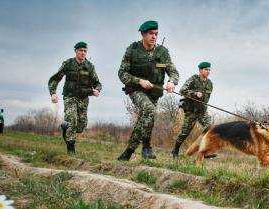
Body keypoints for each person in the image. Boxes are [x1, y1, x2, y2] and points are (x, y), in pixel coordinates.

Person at [117, 20, 179, 161]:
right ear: (143, 34)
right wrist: (139, 81)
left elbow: (173, 72)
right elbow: (122, 73)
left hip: (154, 92)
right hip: (136, 89)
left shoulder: (162, 53)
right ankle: (129, 151)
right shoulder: (132, 50)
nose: (154, 37)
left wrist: (171, 82)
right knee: (149, 110)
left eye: (156, 34)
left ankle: (146, 148)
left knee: (148, 117)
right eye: (151, 34)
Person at [48, 41, 102, 154]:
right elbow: (56, 78)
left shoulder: (89, 66)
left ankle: (65, 127)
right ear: (76, 51)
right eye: (81, 51)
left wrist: (97, 90)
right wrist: (53, 93)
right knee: (72, 120)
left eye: (85, 51)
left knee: (81, 125)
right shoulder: (68, 63)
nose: (83, 53)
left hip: (83, 98)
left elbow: (97, 83)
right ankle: (71, 151)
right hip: (70, 97)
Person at [171, 62, 213, 158]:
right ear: (200, 70)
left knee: (210, 129)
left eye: (209, 70)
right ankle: (175, 149)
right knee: (184, 133)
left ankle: (205, 151)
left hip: (202, 111)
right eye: (206, 69)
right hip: (191, 111)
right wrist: (194, 93)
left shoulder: (210, 84)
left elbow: (206, 99)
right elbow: (182, 90)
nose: (208, 71)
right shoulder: (193, 79)